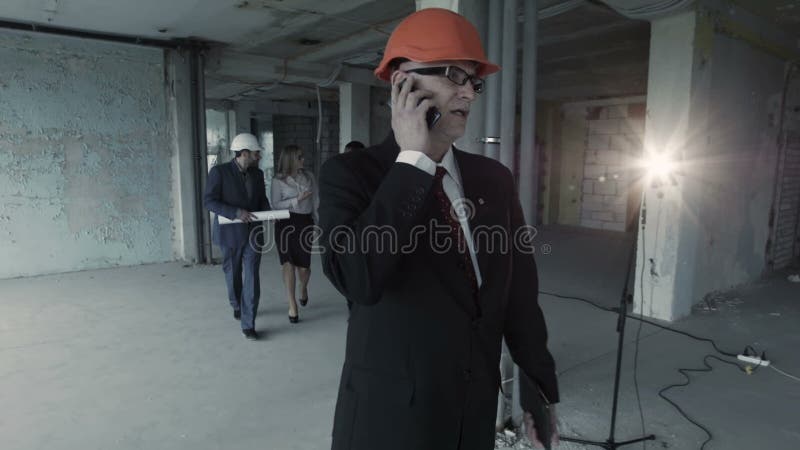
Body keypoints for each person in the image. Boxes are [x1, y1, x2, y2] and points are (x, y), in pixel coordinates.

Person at [318, 8, 559, 450]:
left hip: (474, 412)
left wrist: (537, 387)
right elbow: (358, 278)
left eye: (474, 81)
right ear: (401, 84)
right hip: (391, 420)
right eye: (453, 75)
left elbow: (519, 293)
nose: (469, 93)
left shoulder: (494, 180)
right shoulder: (350, 175)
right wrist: (414, 160)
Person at [204, 133, 271, 340]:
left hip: (253, 234)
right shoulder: (219, 173)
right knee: (233, 275)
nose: (258, 156)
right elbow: (209, 202)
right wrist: (235, 212)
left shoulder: (257, 175)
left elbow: (261, 199)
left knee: (252, 277)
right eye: (256, 153)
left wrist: (270, 214)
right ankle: (236, 303)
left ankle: (248, 324)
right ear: (244, 153)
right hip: (229, 234)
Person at [270, 145, 319, 323]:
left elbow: (315, 201)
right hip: (285, 223)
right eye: (299, 157)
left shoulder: (309, 177)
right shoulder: (278, 180)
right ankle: (292, 305)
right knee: (288, 264)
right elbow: (275, 204)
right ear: (290, 159)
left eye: (302, 156)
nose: (303, 160)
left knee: (304, 268)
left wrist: (319, 221)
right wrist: (296, 199)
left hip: (305, 222)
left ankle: (303, 288)